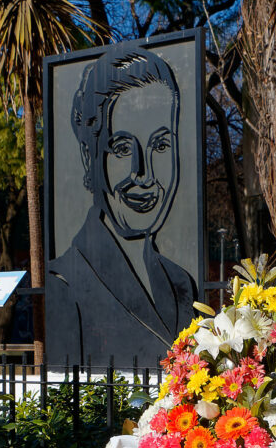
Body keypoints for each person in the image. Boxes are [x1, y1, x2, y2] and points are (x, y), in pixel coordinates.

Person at [47, 46, 197, 365]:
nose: (143, 173)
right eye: (122, 147)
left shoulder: (181, 282)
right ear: (90, 157)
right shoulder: (66, 282)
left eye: (160, 144)